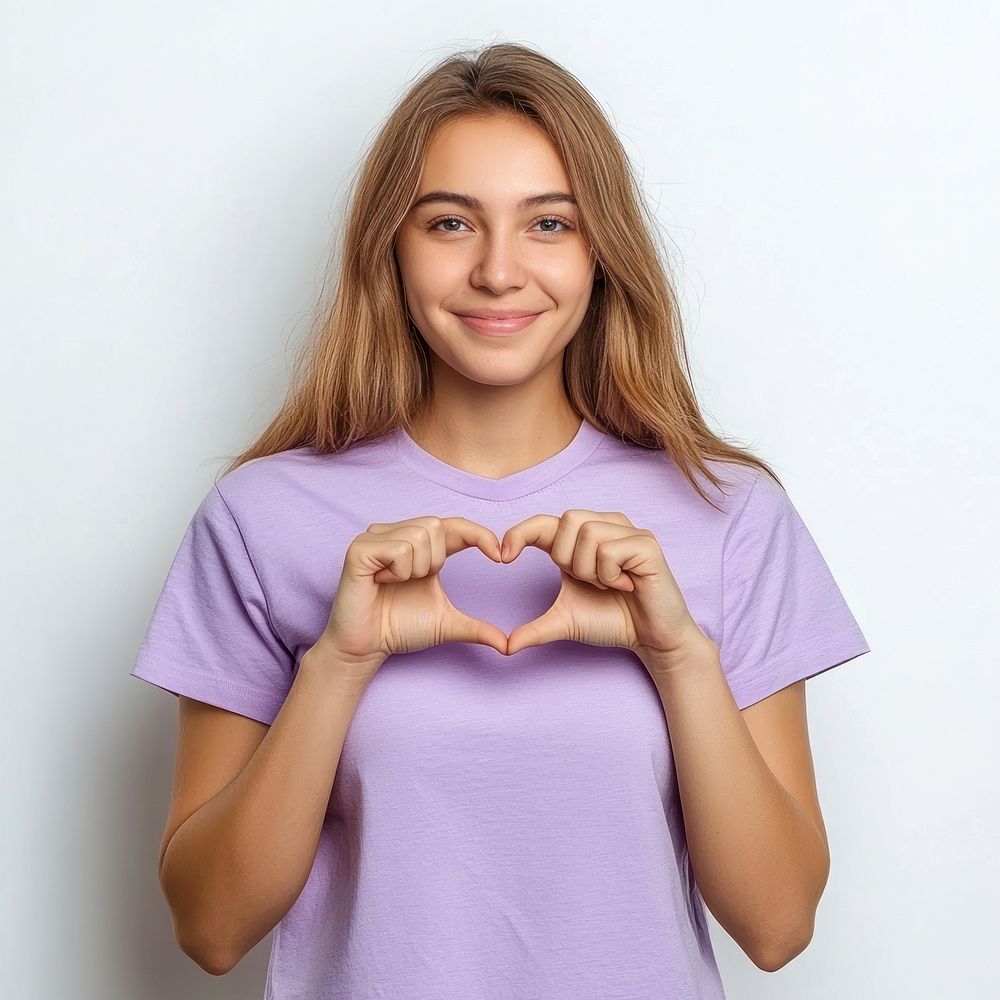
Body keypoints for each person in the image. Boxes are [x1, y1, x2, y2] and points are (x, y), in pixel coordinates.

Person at [130, 41, 871, 997]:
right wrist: (339, 664)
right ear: (389, 247)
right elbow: (212, 927)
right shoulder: (260, 517)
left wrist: (679, 656)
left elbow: (776, 927)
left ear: (601, 252)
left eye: (548, 223)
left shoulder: (730, 516)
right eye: (449, 223)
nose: (497, 271)